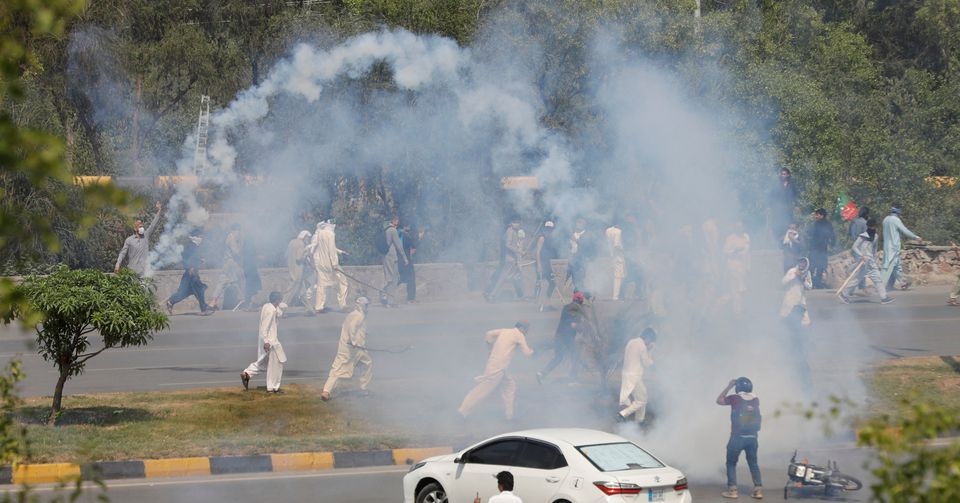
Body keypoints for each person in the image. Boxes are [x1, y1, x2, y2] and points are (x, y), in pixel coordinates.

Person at [458, 321, 534, 421]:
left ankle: (510, 415)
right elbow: (527, 353)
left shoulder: (504, 331)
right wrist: (534, 351)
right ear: (523, 329)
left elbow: (488, 334)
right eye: (527, 330)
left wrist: (490, 349)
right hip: (498, 368)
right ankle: (461, 412)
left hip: (499, 366)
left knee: (510, 386)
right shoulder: (519, 335)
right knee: (482, 390)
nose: (526, 332)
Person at [717, 377, 763, 500]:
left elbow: (719, 400)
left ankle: (732, 490)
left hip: (737, 437)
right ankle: (758, 490)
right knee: (753, 463)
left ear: (738, 387)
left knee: (731, 463)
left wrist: (729, 386)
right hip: (753, 438)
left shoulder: (735, 398)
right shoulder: (755, 400)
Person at [321, 297, 372, 401]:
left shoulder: (353, 314)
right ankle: (326, 391)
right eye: (366, 305)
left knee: (367, 363)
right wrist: (353, 341)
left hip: (357, 348)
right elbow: (352, 328)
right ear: (361, 305)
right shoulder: (359, 316)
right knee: (339, 370)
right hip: (351, 349)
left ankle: (363, 388)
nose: (367, 307)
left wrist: (363, 334)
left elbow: (352, 328)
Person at [240, 291, 287, 393]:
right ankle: (273, 388)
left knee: (264, 362)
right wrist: (266, 341)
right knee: (276, 364)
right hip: (271, 341)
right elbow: (264, 328)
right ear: (278, 300)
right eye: (280, 299)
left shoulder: (267, 306)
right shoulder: (271, 311)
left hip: (269, 340)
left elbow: (279, 313)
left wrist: (282, 307)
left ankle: (247, 373)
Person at [840, 219, 894, 305]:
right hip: (863, 262)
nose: (872, 228)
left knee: (878, 279)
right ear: (868, 226)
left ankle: (884, 297)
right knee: (857, 279)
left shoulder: (875, 236)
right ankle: (844, 294)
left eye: (874, 226)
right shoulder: (862, 236)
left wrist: (874, 258)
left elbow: (874, 249)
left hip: (871, 262)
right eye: (871, 226)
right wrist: (861, 255)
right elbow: (854, 247)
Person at [536, 291, 585, 384]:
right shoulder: (575, 309)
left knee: (558, 357)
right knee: (575, 356)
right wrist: (582, 328)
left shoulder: (567, 307)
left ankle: (542, 373)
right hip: (567, 337)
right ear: (580, 301)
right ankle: (573, 378)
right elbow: (573, 325)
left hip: (559, 335)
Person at [165, 228, 212, 315]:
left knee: (185, 292)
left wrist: (200, 260)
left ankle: (170, 301)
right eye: (200, 236)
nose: (201, 238)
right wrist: (190, 267)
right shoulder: (191, 246)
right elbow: (186, 257)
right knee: (200, 289)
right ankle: (204, 308)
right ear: (195, 237)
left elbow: (194, 258)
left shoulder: (194, 246)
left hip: (191, 272)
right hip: (191, 273)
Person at [615, 327, 655, 424]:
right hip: (634, 376)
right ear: (648, 339)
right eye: (650, 341)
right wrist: (650, 352)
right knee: (642, 400)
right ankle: (622, 414)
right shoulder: (642, 346)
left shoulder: (631, 342)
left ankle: (640, 420)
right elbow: (647, 363)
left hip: (627, 375)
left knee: (642, 397)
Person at [115, 201, 164, 276]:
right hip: (132, 272)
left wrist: (159, 210)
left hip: (145, 272)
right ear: (135, 228)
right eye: (140, 226)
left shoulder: (146, 236)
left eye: (142, 226)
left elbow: (153, 224)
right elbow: (122, 253)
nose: (142, 228)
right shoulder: (129, 240)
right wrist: (117, 265)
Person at [311, 220, 349, 313]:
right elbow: (331, 250)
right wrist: (335, 264)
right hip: (330, 264)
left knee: (322, 285)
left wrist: (340, 252)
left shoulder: (320, 234)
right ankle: (343, 305)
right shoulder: (330, 234)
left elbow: (324, 248)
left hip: (321, 263)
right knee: (343, 282)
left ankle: (319, 306)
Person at [484, 216, 525, 301]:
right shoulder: (510, 231)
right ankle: (492, 295)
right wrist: (519, 251)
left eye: (518, 222)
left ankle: (520, 295)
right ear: (512, 222)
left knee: (516, 276)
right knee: (502, 278)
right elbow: (508, 245)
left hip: (513, 259)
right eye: (515, 222)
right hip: (510, 259)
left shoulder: (513, 231)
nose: (517, 224)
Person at [881, 205, 922, 291]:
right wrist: (916, 237)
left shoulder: (885, 219)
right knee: (892, 265)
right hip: (893, 246)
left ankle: (899, 283)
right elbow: (904, 230)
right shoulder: (896, 220)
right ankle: (882, 285)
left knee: (894, 265)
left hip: (886, 246)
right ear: (898, 212)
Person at [210, 223, 245, 310]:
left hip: (228, 263)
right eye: (239, 230)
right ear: (236, 230)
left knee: (223, 281)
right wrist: (242, 254)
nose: (240, 233)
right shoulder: (232, 238)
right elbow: (235, 252)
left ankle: (213, 302)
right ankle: (245, 300)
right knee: (241, 279)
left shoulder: (230, 237)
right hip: (232, 263)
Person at [723, 221, 751, 315]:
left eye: (741, 227)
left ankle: (742, 310)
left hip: (743, 267)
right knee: (736, 290)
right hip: (733, 266)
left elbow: (748, 253)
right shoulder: (730, 238)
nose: (740, 229)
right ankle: (736, 312)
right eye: (738, 227)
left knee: (743, 290)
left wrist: (748, 267)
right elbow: (725, 252)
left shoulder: (746, 237)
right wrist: (735, 251)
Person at [380, 216, 408, 307]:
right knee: (393, 279)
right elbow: (398, 245)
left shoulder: (386, 229)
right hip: (391, 257)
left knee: (390, 278)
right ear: (395, 221)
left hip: (386, 257)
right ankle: (389, 300)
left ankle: (385, 296)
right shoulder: (392, 231)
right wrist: (405, 258)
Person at [282, 230, 312, 307]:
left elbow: (286, 255)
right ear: (304, 237)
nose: (308, 240)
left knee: (302, 291)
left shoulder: (292, 242)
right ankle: (281, 308)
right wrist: (306, 254)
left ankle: (310, 309)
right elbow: (299, 258)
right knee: (291, 290)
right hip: (298, 271)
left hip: (291, 269)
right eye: (308, 238)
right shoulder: (301, 244)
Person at [807, 209, 835, 289]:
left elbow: (811, 234)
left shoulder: (817, 224)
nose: (816, 216)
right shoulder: (828, 224)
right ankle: (817, 283)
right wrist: (832, 243)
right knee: (821, 266)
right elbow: (832, 235)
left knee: (813, 265)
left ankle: (811, 282)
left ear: (822, 215)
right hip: (823, 248)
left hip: (815, 248)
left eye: (817, 215)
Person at [769, 167, 799, 242]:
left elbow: (795, 196)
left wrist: (796, 205)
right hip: (778, 208)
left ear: (788, 175)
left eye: (784, 174)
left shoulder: (792, 184)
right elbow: (772, 196)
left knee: (790, 223)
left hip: (789, 207)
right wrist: (770, 206)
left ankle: (789, 242)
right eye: (782, 174)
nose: (783, 175)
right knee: (778, 224)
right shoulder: (777, 184)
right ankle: (779, 242)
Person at [534, 221, 559, 310]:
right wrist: (539, 265)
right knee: (542, 284)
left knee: (552, 283)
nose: (548, 230)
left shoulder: (552, 238)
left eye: (550, 229)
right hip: (543, 264)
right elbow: (537, 251)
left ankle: (547, 303)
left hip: (548, 265)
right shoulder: (542, 238)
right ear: (544, 228)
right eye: (547, 228)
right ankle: (540, 305)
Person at [398, 223, 422, 303]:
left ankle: (385, 294)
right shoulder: (406, 236)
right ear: (406, 226)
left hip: (398, 260)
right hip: (406, 260)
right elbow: (414, 245)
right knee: (411, 278)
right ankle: (411, 298)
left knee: (399, 279)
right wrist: (420, 238)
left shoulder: (397, 234)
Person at [606, 222, 626, 301]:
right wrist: (624, 251)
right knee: (618, 277)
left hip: (611, 256)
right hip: (618, 257)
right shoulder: (618, 232)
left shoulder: (608, 230)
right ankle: (615, 296)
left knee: (615, 275)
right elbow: (616, 245)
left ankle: (615, 295)